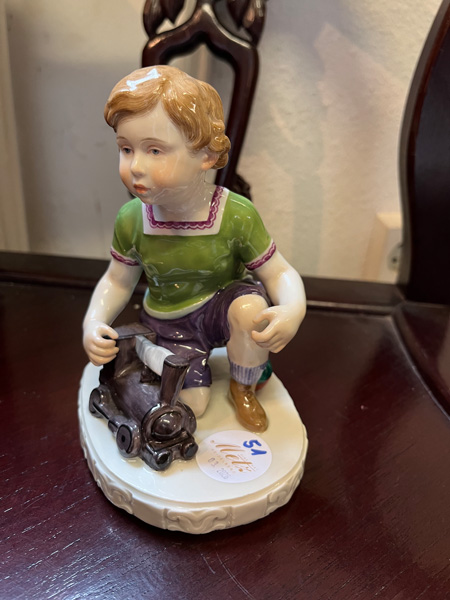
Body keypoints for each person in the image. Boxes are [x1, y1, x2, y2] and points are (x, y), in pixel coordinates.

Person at [83, 65, 306, 433]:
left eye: (155, 150)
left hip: (222, 306)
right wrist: (93, 322)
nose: (135, 166)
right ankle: (165, 359)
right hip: (170, 321)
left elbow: (278, 271)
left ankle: (243, 387)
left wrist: (293, 308)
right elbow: (118, 281)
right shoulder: (132, 219)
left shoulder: (235, 215)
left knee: (251, 311)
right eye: (126, 149)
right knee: (193, 406)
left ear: (205, 154)